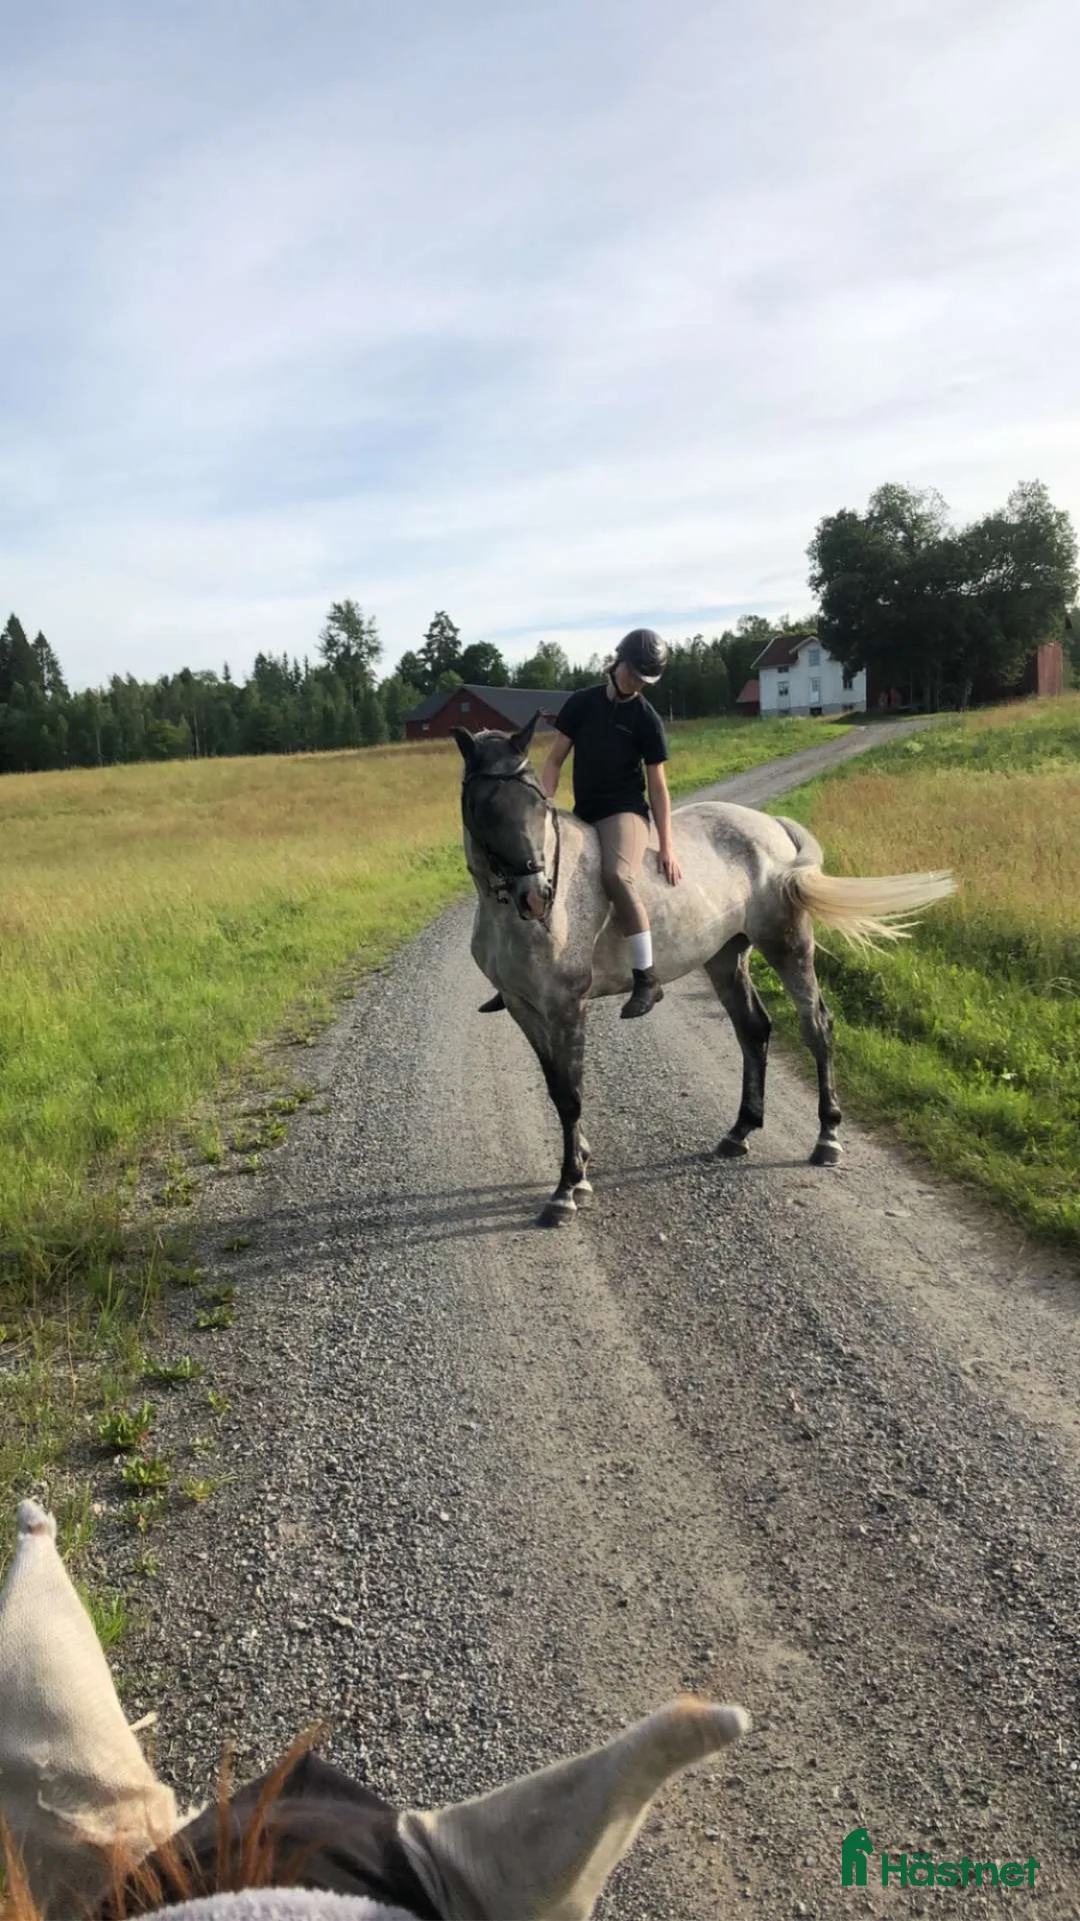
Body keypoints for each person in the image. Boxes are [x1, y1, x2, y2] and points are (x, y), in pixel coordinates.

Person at [479, 627, 681, 1019]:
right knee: (535, 872)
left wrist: (668, 846)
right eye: (633, 672)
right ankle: (515, 979)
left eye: (644, 679)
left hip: (624, 811)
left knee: (616, 875)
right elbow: (554, 760)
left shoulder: (646, 719)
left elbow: (658, 788)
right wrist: (547, 807)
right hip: (582, 809)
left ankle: (646, 976)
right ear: (618, 660)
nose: (636, 682)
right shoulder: (582, 703)